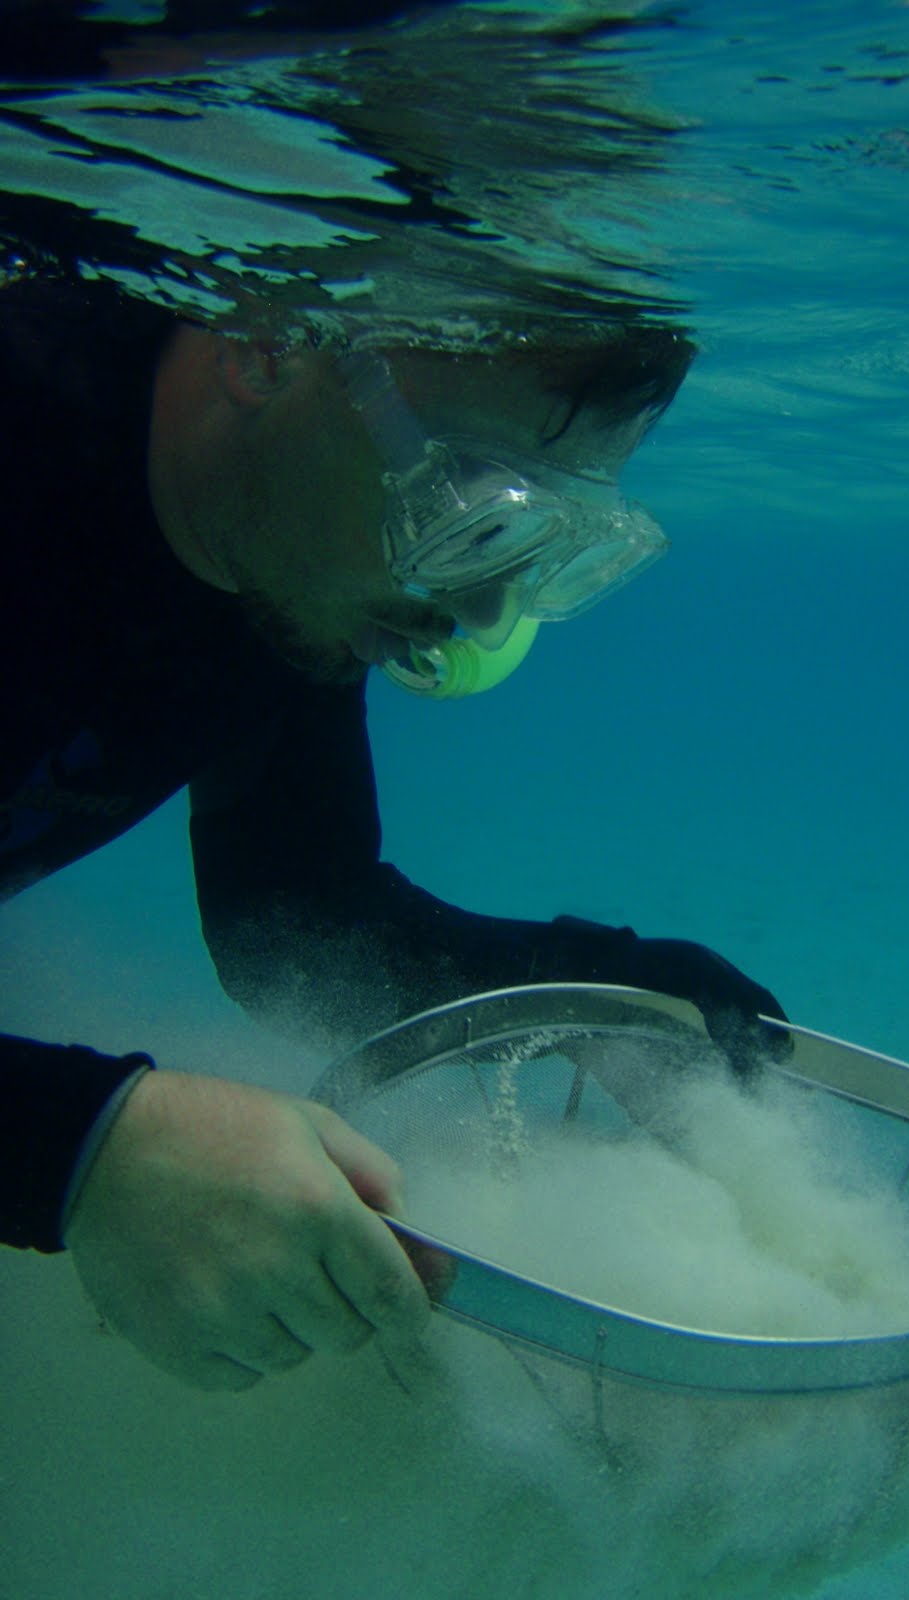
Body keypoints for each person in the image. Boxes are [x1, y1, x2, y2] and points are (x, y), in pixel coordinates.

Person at [0, 262, 786, 1392]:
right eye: (461, 496)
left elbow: (291, 920)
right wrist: (78, 1149)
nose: (474, 608)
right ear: (266, 343)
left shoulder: (281, 552)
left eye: (532, 541)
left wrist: (572, 983)